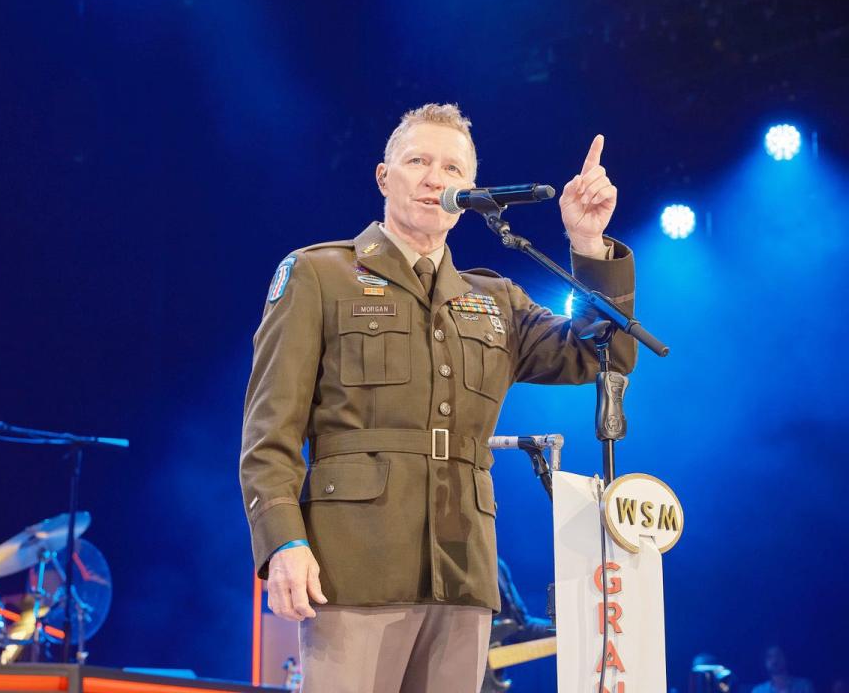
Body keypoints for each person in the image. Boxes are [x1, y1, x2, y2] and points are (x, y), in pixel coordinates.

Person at [239, 103, 637, 692]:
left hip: (462, 569)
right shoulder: (319, 275)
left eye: (452, 168)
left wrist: (588, 243)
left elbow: (597, 355)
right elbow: (268, 430)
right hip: (353, 566)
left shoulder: (494, 298)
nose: (435, 178)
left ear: (471, 189)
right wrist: (284, 543)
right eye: (418, 161)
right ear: (384, 177)